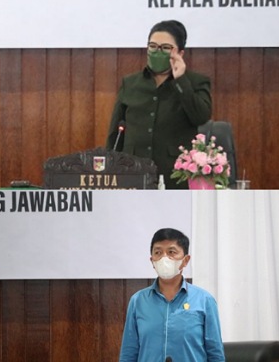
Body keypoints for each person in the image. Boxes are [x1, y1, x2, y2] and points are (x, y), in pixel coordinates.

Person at [106, 20, 212, 189]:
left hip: (175, 176)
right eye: (153, 46)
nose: (157, 51)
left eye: (165, 48)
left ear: (180, 53)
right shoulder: (130, 83)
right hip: (133, 174)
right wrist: (109, 169)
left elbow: (201, 116)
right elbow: (115, 133)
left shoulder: (195, 82)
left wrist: (180, 80)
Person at [119, 228, 225, 362]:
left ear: (186, 260)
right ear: (152, 261)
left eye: (171, 252)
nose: (164, 258)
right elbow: (129, 353)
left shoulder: (204, 300)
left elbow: (215, 354)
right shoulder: (138, 301)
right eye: (158, 252)